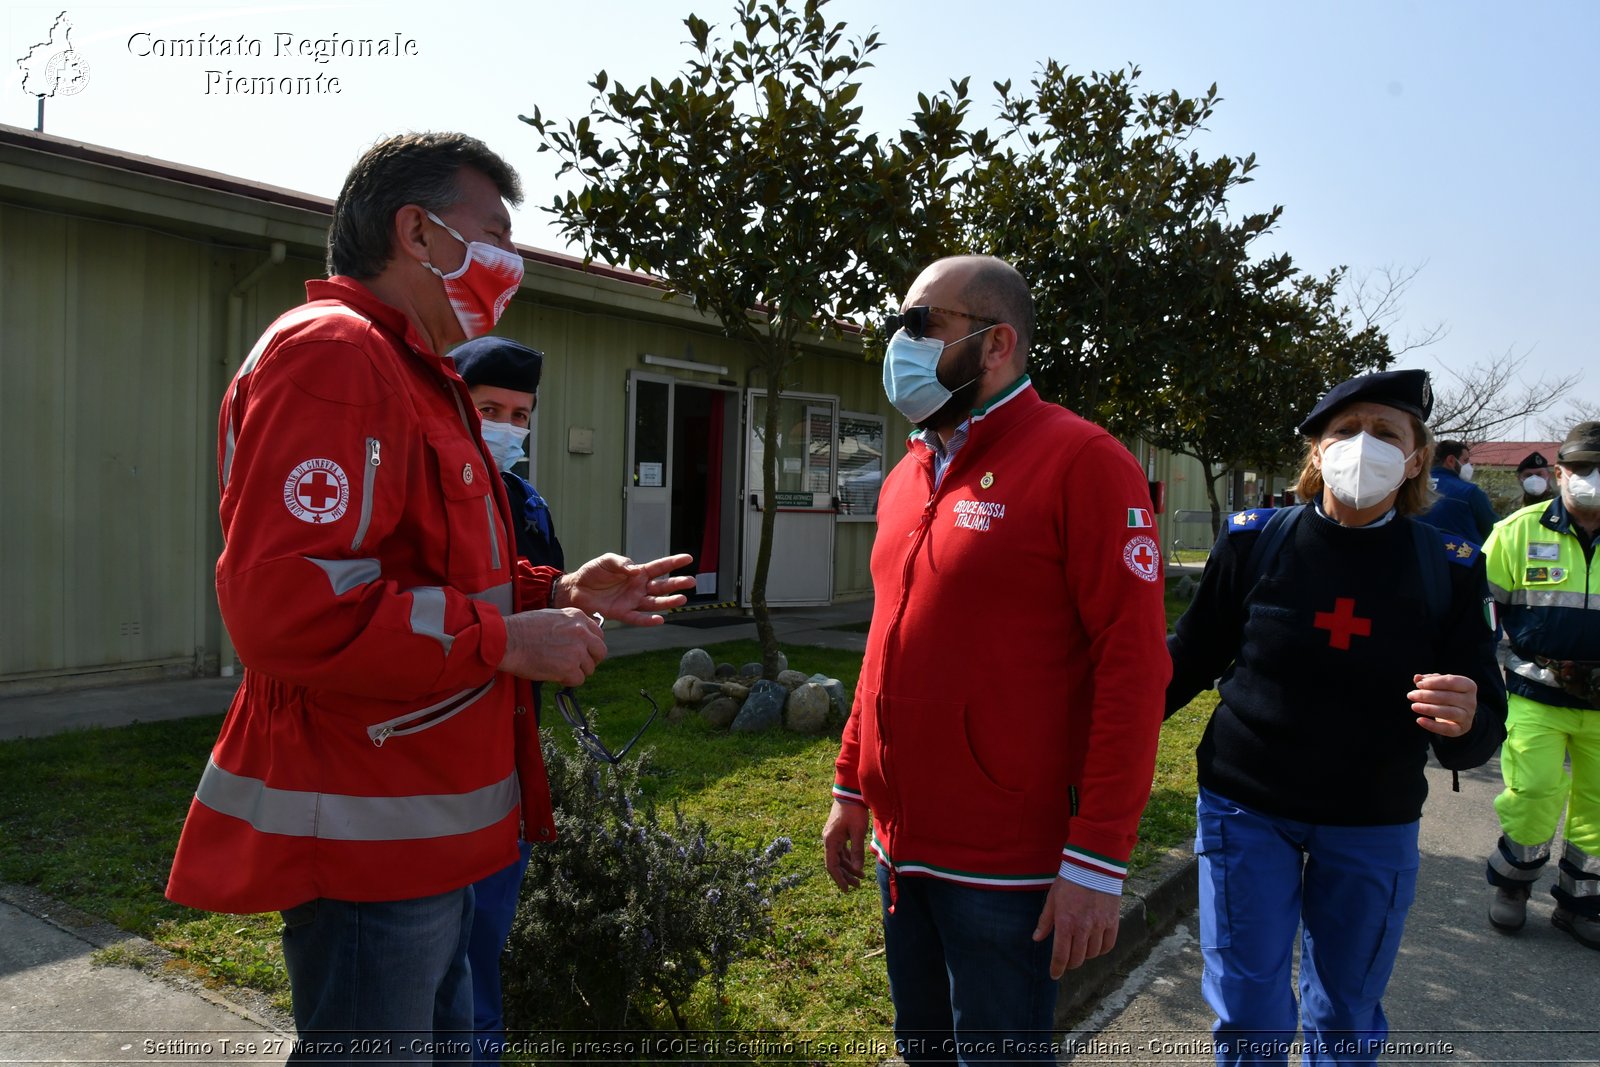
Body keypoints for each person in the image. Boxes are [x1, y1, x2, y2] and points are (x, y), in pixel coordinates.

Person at [165, 132, 695, 1063]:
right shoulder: (334, 356)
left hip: (431, 832)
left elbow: (429, 572)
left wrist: (559, 589)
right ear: (416, 231)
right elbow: (296, 610)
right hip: (376, 841)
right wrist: (505, 640)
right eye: (492, 235)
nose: (509, 265)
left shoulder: (415, 372)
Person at [821, 255, 1169, 1064]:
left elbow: (1133, 671)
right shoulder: (910, 471)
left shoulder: (1082, 461)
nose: (899, 344)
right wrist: (851, 782)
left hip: (1008, 871)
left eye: (922, 326)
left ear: (996, 343)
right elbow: (888, 640)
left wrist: (1097, 859)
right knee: (925, 1051)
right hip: (904, 853)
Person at [1166, 369, 1506, 1066]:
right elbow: (1186, 659)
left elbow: (1480, 721)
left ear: (1415, 459)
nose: (1362, 446)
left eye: (1386, 433)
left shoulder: (1448, 565)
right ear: (1315, 450)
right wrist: (1098, 733)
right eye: (1344, 430)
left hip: (1372, 818)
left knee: (1346, 1012)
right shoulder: (1253, 541)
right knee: (1249, 1007)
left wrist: (1467, 719)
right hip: (1245, 806)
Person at [450, 336, 563, 1064]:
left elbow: (542, 610)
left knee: (481, 947)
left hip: (506, 760)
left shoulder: (527, 502)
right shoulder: (422, 495)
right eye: (489, 409)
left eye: (520, 414)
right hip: (432, 763)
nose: (507, 428)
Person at [1482, 421, 1600, 950]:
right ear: (1559, 473)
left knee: (1598, 809)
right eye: (1580, 469)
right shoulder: (1517, 532)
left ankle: (1581, 903)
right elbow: (1480, 615)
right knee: (1532, 794)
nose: (1591, 479)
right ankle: (1513, 884)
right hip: (1537, 689)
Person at [1422, 439, 1497, 541]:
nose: (1469, 466)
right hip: (1460, 555)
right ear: (1451, 460)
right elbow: (1494, 531)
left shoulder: (1412, 488)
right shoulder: (1469, 491)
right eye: (1465, 461)